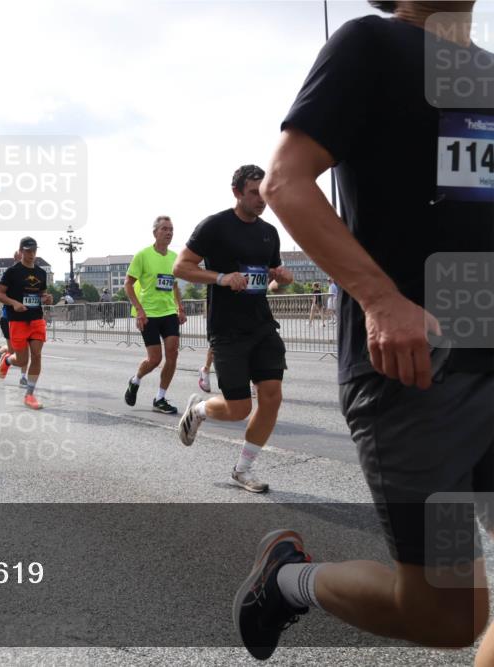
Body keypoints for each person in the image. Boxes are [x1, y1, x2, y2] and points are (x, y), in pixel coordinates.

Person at [233, 2, 494, 662]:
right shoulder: (370, 44)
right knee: (449, 611)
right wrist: (380, 298)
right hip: (418, 370)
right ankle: (287, 581)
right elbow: (287, 181)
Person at [172, 164, 294, 493]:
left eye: (264, 192)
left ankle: (243, 469)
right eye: (254, 192)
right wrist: (222, 278)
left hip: (262, 324)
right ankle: (198, 410)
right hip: (227, 329)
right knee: (239, 408)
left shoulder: (269, 231)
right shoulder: (215, 226)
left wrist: (278, 278)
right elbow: (180, 267)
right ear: (237, 192)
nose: (261, 199)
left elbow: (264, 278)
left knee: (272, 396)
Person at [123, 215, 188, 414]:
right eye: (164, 229)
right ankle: (135, 381)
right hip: (148, 314)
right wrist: (139, 311)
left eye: (171, 229)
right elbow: (128, 285)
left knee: (173, 352)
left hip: (168, 312)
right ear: (155, 232)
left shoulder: (174, 258)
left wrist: (180, 307)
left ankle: (160, 398)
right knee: (154, 359)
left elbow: (175, 285)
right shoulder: (142, 255)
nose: (169, 232)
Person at [0, 237, 54, 409]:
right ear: (20, 251)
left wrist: (48, 298)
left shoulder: (41, 273)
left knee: (36, 355)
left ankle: (29, 395)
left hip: (36, 319)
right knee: (21, 360)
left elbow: (42, 294)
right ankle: (6, 360)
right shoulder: (13, 272)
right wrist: (14, 303)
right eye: (28, 251)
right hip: (17, 320)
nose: (31, 254)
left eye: (34, 250)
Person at [0, 250, 30, 387]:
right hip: (9, 317)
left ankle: (23, 377)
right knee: (13, 350)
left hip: (25, 318)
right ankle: (0, 351)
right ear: (16, 258)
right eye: (22, 257)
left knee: (26, 349)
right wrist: (14, 303)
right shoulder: (10, 274)